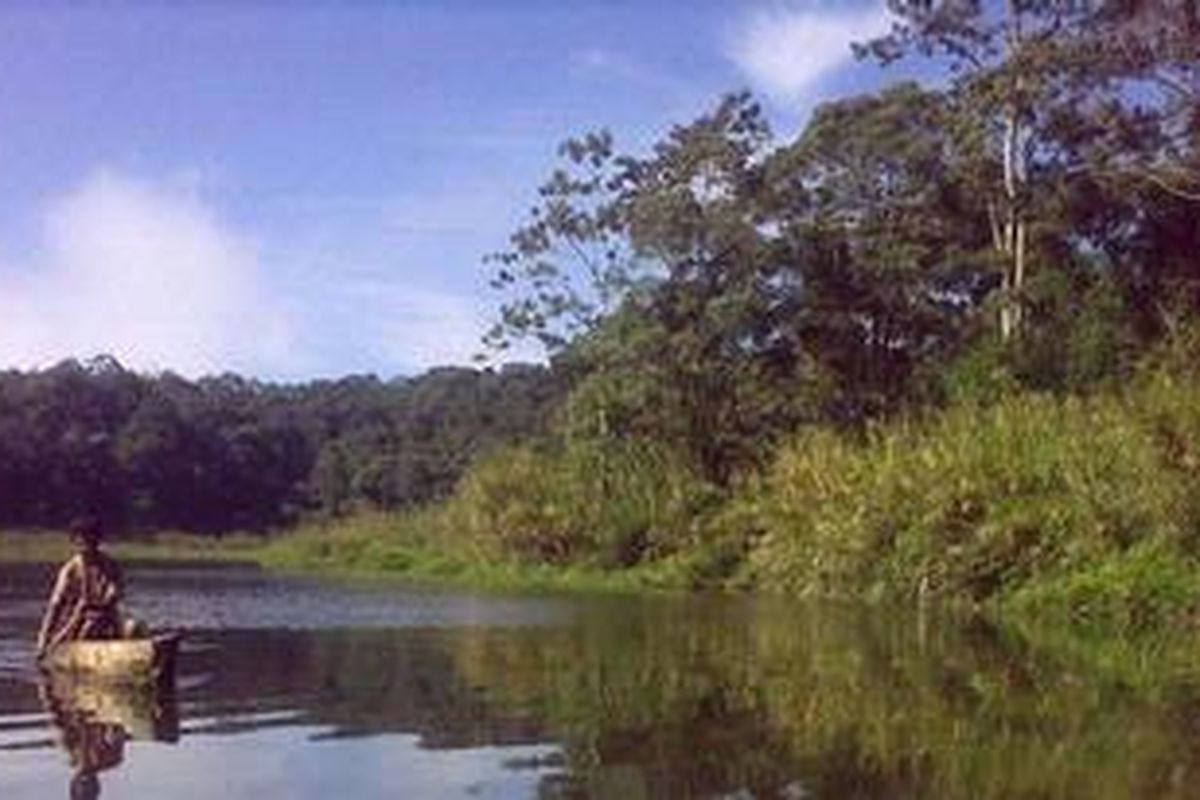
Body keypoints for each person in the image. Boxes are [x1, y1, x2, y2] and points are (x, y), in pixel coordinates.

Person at [36, 517, 124, 658]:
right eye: (83, 541)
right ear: (75, 542)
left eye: (92, 541)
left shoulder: (111, 566)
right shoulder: (70, 570)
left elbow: (114, 593)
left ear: (98, 541)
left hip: (105, 621)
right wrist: (43, 640)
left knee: (134, 626)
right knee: (91, 623)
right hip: (73, 626)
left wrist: (106, 601)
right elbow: (55, 607)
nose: (88, 546)